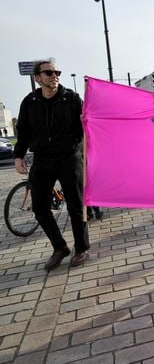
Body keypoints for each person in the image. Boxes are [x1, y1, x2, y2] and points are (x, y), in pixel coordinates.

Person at [14, 60, 90, 270]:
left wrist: (86, 122)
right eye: (48, 72)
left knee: (76, 206)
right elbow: (23, 131)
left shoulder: (72, 99)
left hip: (69, 157)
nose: (54, 75)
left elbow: (85, 126)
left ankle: (81, 248)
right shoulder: (30, 102)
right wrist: (19, 155)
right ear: (37, 78)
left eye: (56, 72)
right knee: (39, 208)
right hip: (42, 160)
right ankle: (60, 247)